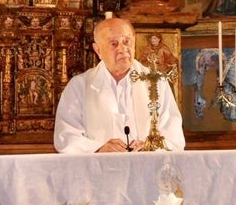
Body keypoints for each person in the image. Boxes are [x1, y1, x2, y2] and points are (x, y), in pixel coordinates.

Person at [54, 18, 185, 153]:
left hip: (145, 169)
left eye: (126, 42)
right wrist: (99, 148)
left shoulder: (156, 81)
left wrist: (149, 147)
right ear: (98, 50)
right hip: (100, 169)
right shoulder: (80, 86)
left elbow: (173, 135)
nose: (122, 49)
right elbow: (66, 136)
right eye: (114, 44)